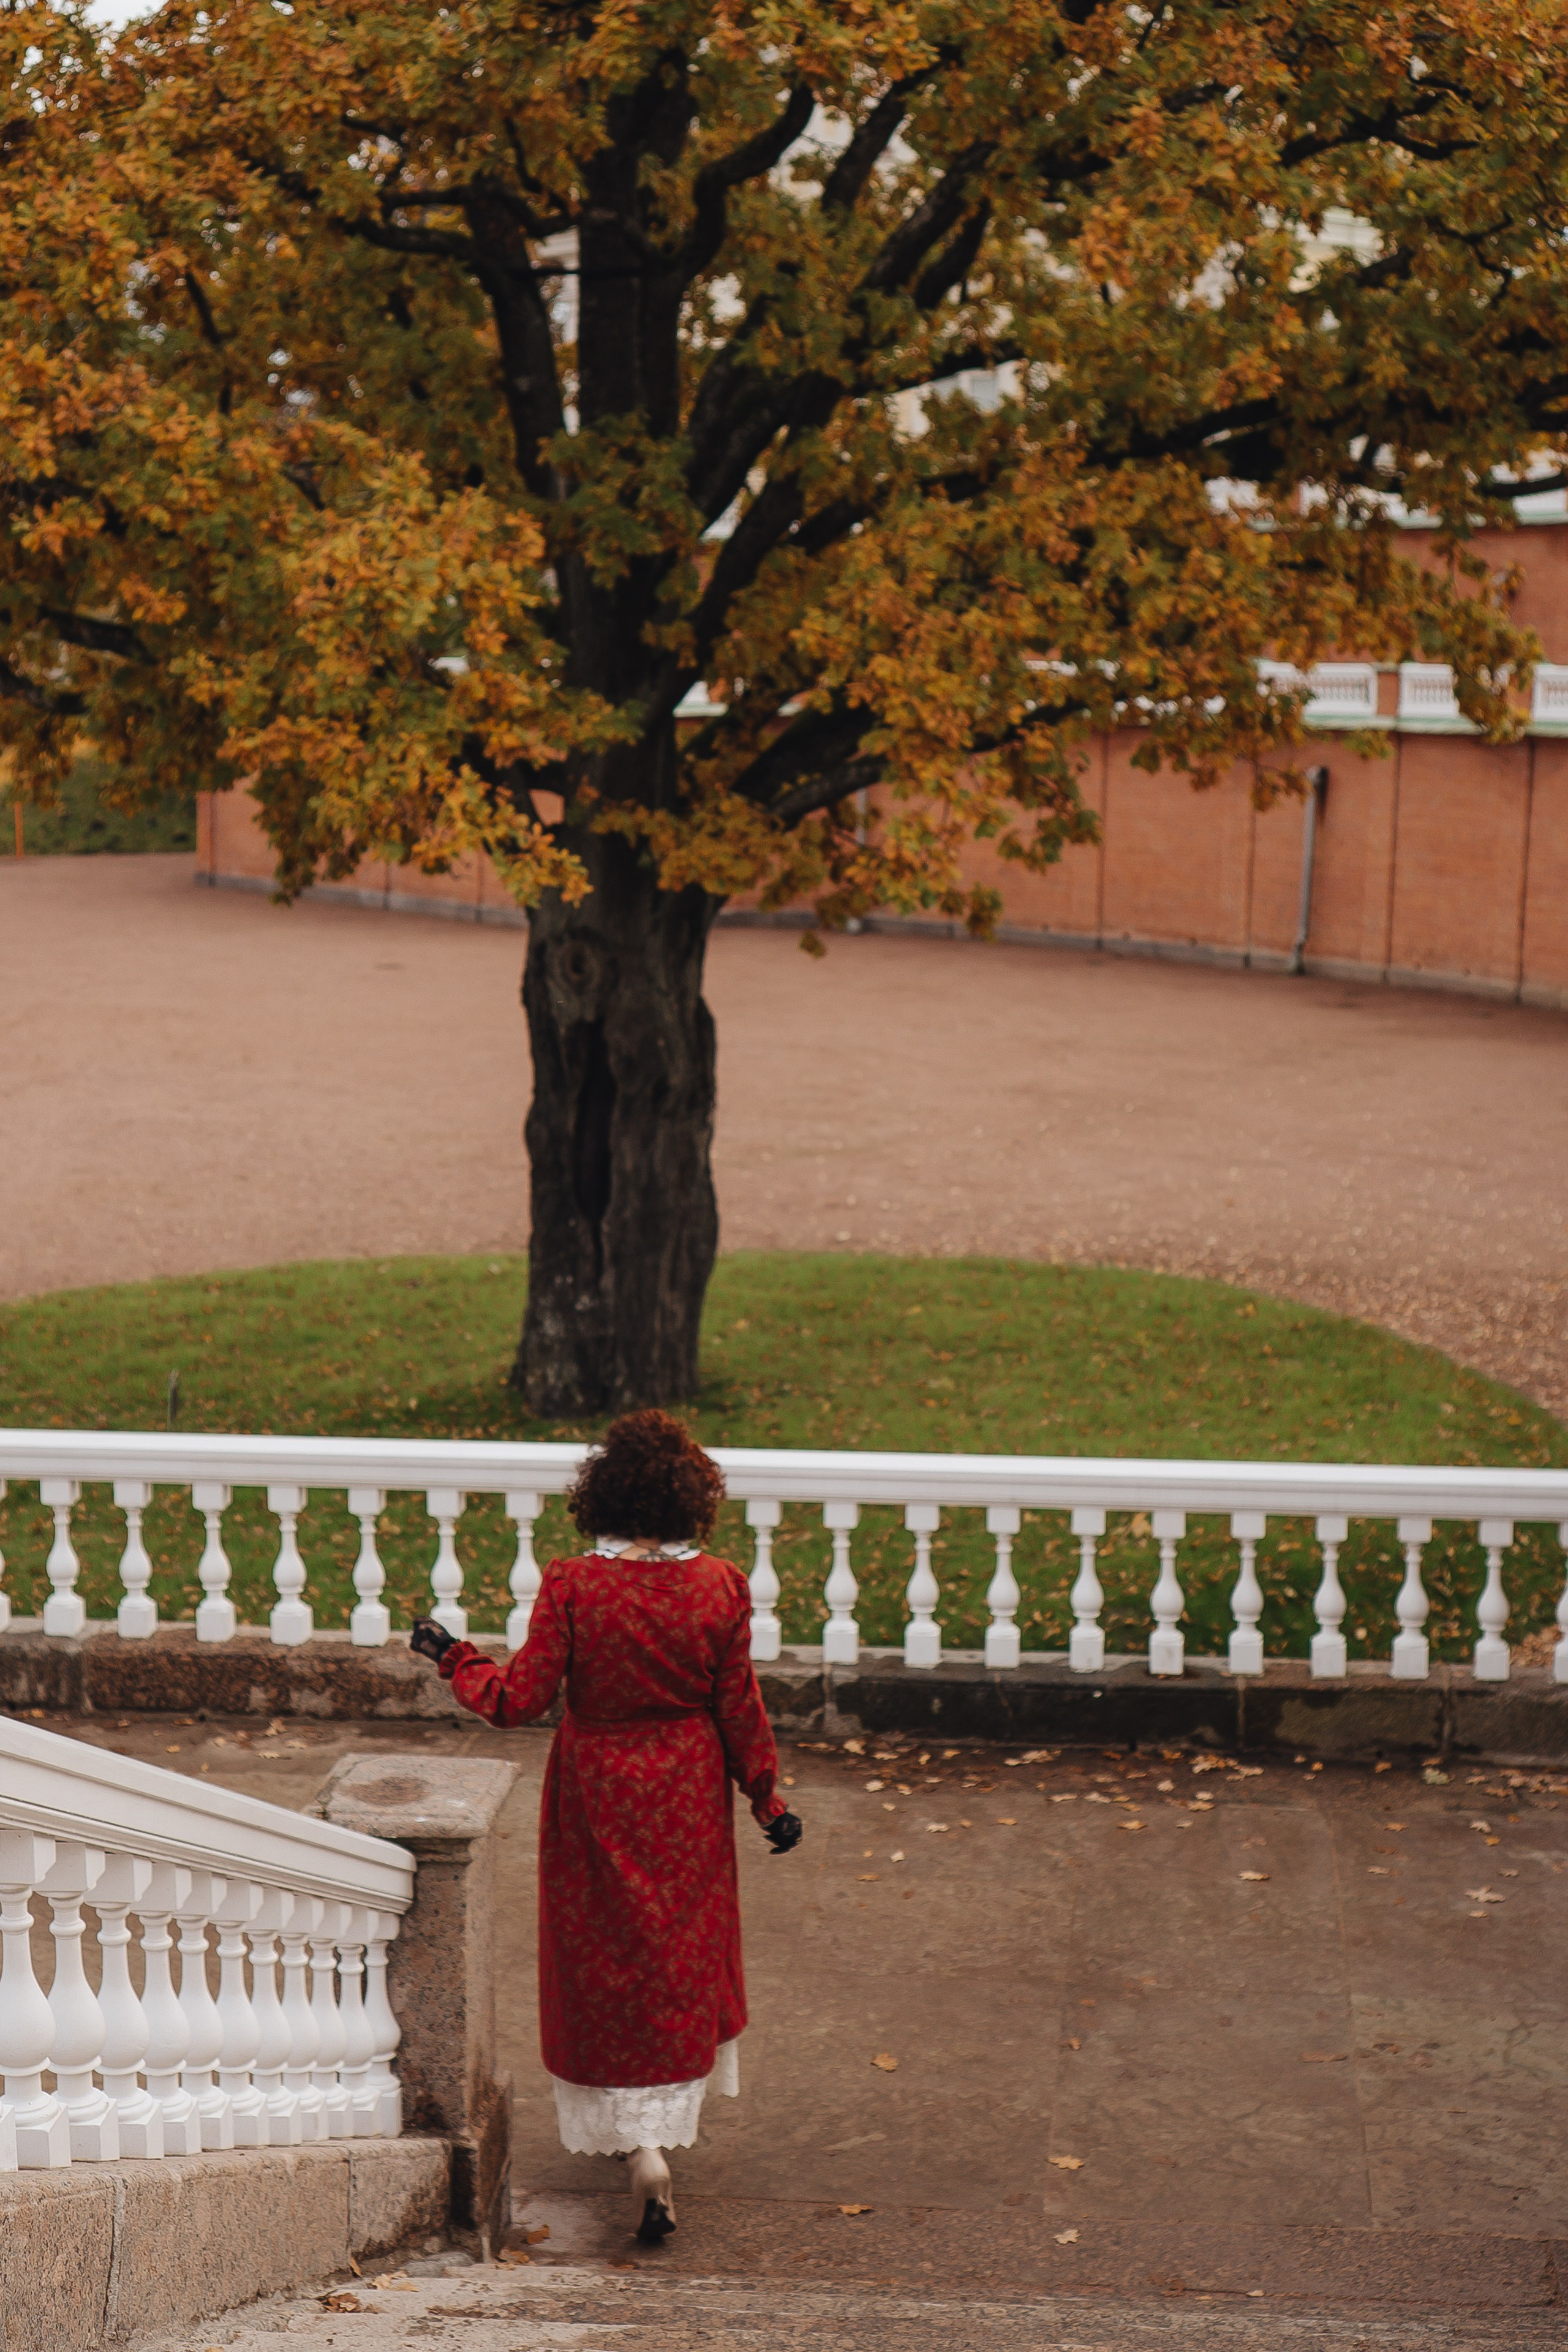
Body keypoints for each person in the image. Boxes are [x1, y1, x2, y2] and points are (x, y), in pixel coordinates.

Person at [408, 1408, 802, 2245]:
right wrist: (767, 1799)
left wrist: (452, 1656)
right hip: (688, 1786)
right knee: (674, 1949)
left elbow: (517, 1700)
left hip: (597, 1788)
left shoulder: (575, 1585)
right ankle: (658, 2141)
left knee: (600, 1952)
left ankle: (637, 2149)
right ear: (692, 1499)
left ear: (603, 1495)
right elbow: (741, 1709)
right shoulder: (719, 1587)